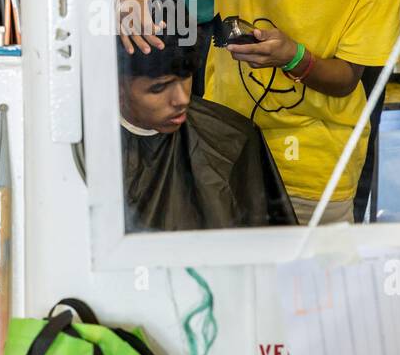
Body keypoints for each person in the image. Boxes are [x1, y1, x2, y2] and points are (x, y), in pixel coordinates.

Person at [116, 0, 400, 224]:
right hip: (225, 152)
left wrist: (295, 58)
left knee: (312, 271)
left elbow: (347, 78)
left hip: (312, 167)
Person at [117, 21, 296, 232]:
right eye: (159, 88)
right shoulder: (79, 155)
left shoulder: (233, 139)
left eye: (185, 77)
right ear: (117, 88)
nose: (182, 99)